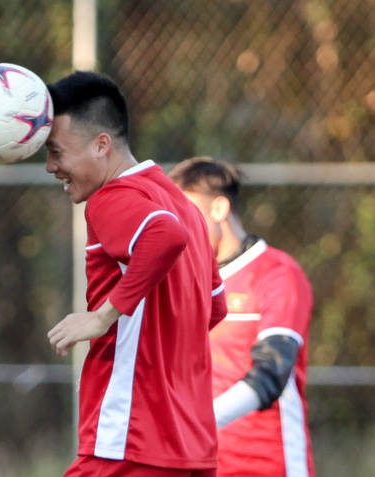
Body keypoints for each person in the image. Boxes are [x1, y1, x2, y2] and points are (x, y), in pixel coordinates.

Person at [45, 71, 227, 477]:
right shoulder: (185, 207)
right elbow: (214, 308)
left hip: (130, 442)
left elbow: (164, 236)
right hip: (191, 447)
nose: (50, 167)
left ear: (101, 145)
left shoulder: (112, 199)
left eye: (56, 152)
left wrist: (102, 316)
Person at [168, 157, 315, 477]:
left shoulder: (278, 273)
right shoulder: (181, 279)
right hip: (200, 465)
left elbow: (271, 373)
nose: (178, 228)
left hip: (269, 465)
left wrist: (200, 422)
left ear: (219, 209)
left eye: (186, 214)